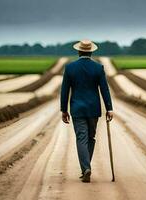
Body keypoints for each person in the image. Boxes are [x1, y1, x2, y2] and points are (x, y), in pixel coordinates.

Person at [60, 39, 113, 183]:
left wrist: (64, 110)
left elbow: (64, 91)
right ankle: (86, 167)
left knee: (81, 138)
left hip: (77, 109)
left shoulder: (70, 68)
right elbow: (104, 89)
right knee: (91, 138)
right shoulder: (98, 68)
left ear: (78, 51)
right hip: (93, 109)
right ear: (91, 52)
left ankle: (85, 168)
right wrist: (109, 108)